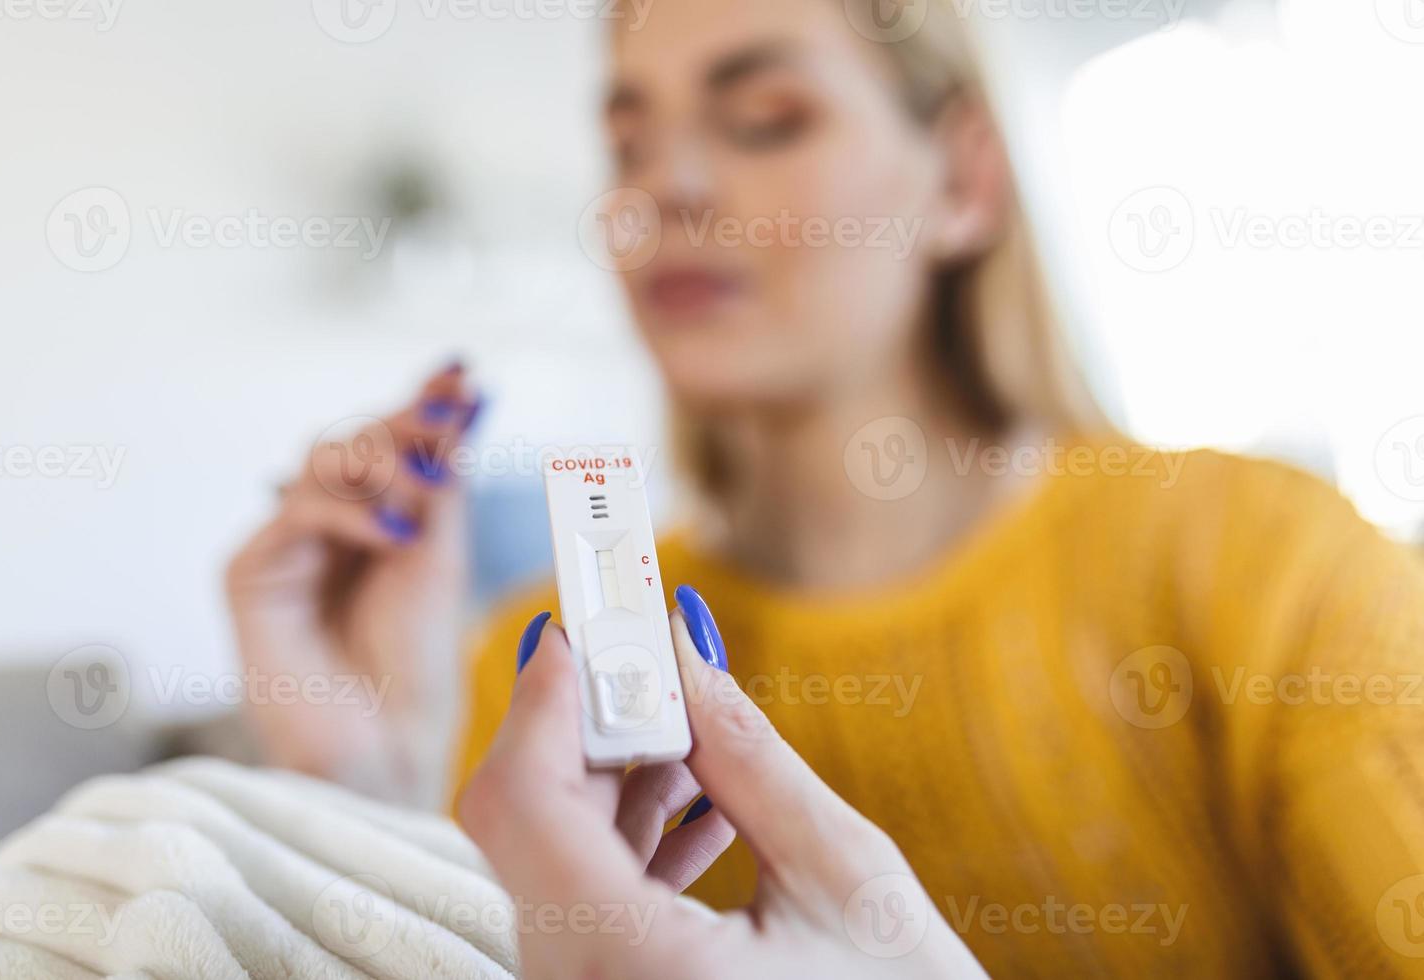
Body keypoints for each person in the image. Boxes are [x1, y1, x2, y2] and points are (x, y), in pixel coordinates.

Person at [226, 0, 1424, 974]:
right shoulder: (533, 677)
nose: (665, 188)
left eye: (764, 117)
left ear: (963, 176)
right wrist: (371, 800)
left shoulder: (1275, 569)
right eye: (629, 142)